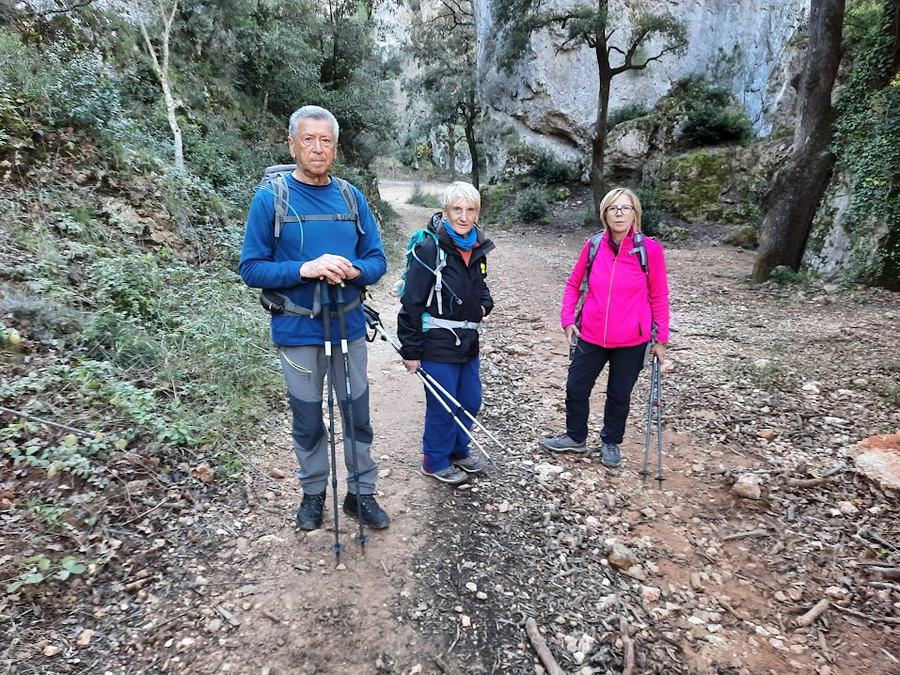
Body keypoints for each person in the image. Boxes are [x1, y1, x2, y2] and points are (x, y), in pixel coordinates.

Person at [239, 105, 390, 530]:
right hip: (296, 328)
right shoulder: (271, 199)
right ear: (292, 145)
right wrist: (305, 269)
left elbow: (378, 258)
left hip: (348, 324)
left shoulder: (350, 196)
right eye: (308, 139)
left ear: (336, 148)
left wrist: (357, 270)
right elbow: (251, 268)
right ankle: (312, 493)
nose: (317, 148)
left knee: (356, 413)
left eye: (325, 140)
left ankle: (360, 494)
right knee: (307, 417)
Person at [540, 187, 670, 467]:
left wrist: (661, 340)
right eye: (613, 208)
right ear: (605, 214)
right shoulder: (594, 245)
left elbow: (659, 296)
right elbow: (573, 285)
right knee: (576, 388)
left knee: (619, 395)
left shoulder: (650, 251)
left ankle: (610, 441)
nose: (619, 214)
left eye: (625, 208)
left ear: (635, 213)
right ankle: (575, 437)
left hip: (632, 340)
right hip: (591, 334)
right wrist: (567, 320)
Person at [398, 182, 494, 486]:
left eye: (470, 210)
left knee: (471, 399)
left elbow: (481, 286)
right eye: (457, 209)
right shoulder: (429, 248)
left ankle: (457, 450)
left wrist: (484, 306)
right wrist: (411, 351)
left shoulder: (477, 245)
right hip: (437, 342)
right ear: (445, 211)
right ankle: (435, 459)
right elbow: (411, 301)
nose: (464, 217)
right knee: (443, 404)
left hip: (469, 341)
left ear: (477, 213)